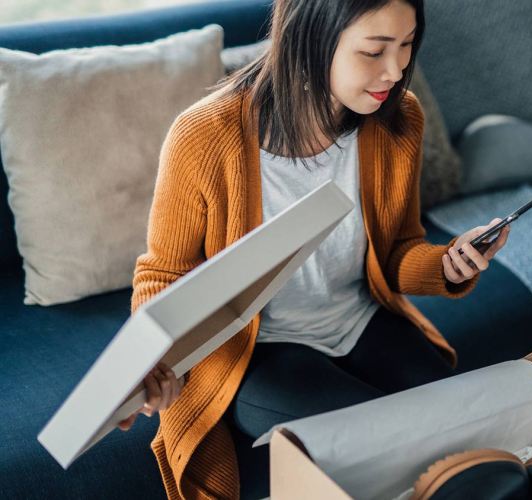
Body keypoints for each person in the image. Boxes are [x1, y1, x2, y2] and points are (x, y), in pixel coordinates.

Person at [116, 1, 510, 498]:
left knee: (471, 429)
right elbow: (162, 275)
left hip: (361, 321)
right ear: (311, 40)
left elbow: (397, 251)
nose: (396, 70)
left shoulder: (397, 119)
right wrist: (149, 362)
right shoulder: (204, 136)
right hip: (257, 349)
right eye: (374, 51)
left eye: (407, 45)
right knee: (390, 445)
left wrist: (449, 266)